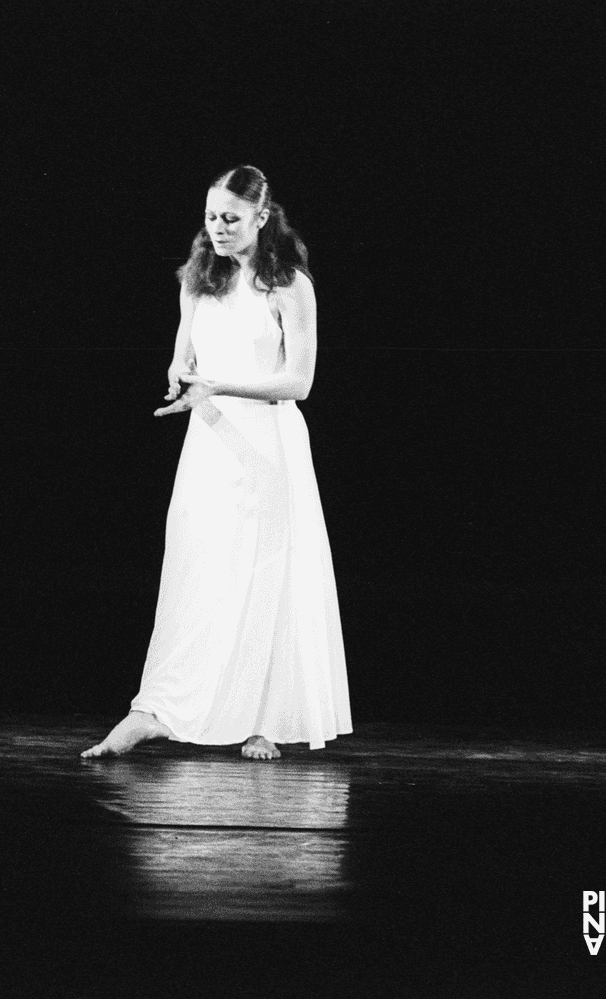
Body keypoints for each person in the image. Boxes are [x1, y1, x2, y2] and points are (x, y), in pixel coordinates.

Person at [83, 166, 350, 761]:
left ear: (261, 217)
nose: (219, 228)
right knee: (198, 571)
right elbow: (184, 354)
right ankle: (156, 709)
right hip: (209, 442)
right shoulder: (197, 280)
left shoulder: (289, 285)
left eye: (232, 217)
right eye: (211, 216)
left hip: (268, 443)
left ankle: (266, 719)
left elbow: (299, 382)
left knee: (266, 576)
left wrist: (218, 387)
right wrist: (181, 377)